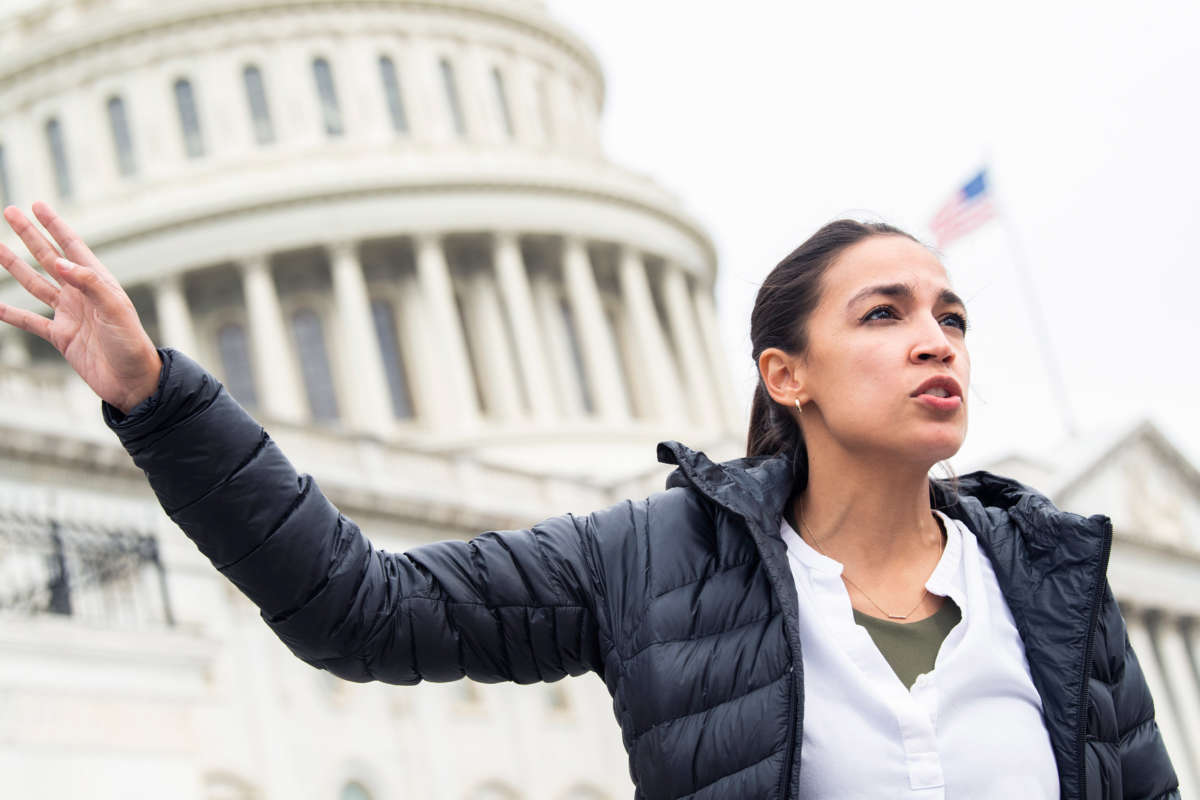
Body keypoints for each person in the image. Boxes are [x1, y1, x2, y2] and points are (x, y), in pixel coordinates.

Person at [0, 201, 1180, 799]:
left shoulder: (1052, 578)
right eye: (886, 314)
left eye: (952, 317)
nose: (936, 341)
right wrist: (159, 399)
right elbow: (362, 607)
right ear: (787, 374)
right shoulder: (652, 560)